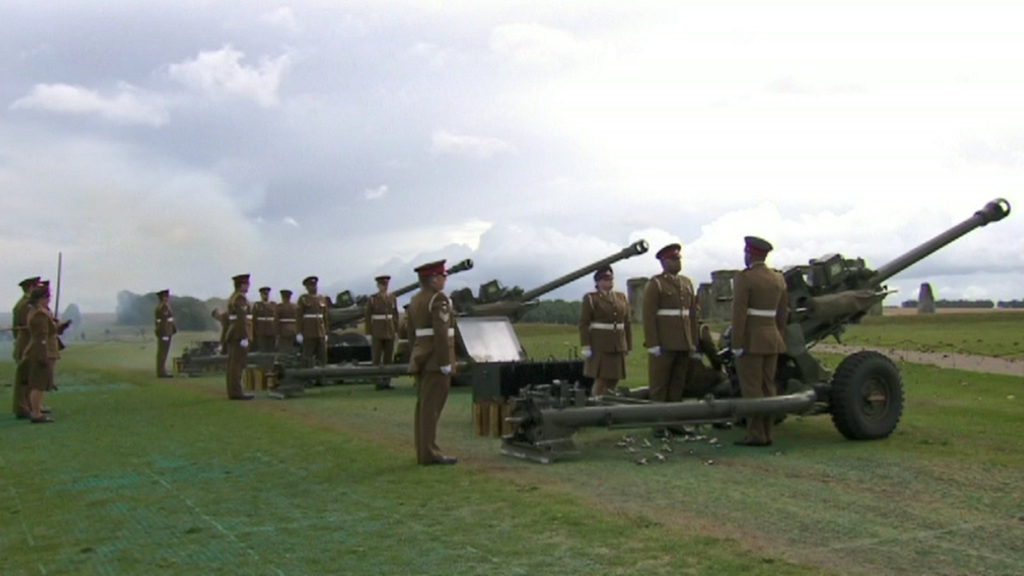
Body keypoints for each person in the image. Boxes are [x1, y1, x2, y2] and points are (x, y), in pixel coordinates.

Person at [731, 236, 788, 447]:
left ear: (750, 254)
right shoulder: (778, 279)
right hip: (771, 337)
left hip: (751, 340)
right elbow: (783, 314)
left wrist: (737, 344)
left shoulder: (745, 278)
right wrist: (777, 336)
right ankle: (768, 432)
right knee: (768, 387)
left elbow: (739, 314)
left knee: (752, 388)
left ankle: (756, 434)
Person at [642, 243, 700, 437]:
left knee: (677, 386)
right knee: (660, 386)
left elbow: (692, 315)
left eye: (679, 259)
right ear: (664, 262)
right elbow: (649, 316)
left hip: (683, 342)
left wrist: (693, 341)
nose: (678, 262)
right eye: (674, 259)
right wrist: (653, 343)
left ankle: (675, 422)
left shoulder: (686, 283)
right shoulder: (656, 284)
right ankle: (659, 424)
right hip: (664, 342)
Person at [408, 260, 457, 465]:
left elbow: (411, 332)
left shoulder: (416, 299)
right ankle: (429, 453)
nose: (444, 280)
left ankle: (424, 450)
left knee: (424, 407)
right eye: (443, 276)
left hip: (423, 357)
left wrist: (417, 353)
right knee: (432, 409)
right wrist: (445, 361)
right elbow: (441, 333)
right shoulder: (438, 298)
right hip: (437, 360)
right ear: (434, 279)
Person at [578, 265, 632, 397]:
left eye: (611, 279)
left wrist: (628, 345)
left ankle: (609, 401)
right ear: (598, 282)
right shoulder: (591, 298)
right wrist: (586, 345)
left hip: (617, 344)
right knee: (601, 379)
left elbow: (627, 323)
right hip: (600, 344)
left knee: (615, 377)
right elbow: (584, 323)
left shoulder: (621, 297)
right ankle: (596, 404)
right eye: (605, 279)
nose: (609, 282)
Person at [22, 284, 60, 423]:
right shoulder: (39, 314)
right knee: (38, 384)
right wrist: (42, 355)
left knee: (39, 383)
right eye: (46, 298)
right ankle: (36, 414)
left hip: (39, 349)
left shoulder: (39, 312)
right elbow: (41, 338)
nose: (48, 300)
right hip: (40, 350)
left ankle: (37, 409)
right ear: (40, 299)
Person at [364, 275, 400, 390]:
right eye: (382, 285)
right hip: (377, 330)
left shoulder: (392, 298)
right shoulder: (373, 299)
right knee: (377, 357)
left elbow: (395, 315)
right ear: (378, 285)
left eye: (386, 284)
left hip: (389, 330)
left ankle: (387, 381)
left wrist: (396, 330)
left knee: (388, 357)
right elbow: (368, 316)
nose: (384, 287)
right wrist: (369, 332)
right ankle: (378, 381)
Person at [12, 276, 41, 418]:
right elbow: (26, 325)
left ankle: (31, 405)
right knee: (23, 379)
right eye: (36, 286)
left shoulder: (29, 304)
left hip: (29, 342)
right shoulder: (25, 305)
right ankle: (22, 408)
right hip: (25, 343)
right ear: (30, 288)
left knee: (31, 377)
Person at [224, 274, 255, 400]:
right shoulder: (240, 299)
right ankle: (236, 392)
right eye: (246, 284)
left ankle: (234, 391)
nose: (248, 286)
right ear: (241, 285)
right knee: (237, 364)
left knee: (234, 364)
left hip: (235, 333)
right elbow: (242, 319)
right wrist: (244, 336)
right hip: (239, 333)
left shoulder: (235, 297)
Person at [297, 276, 329, 366]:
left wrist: (326, 332)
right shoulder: (303, 299)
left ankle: (322, 377)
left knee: (322, 355)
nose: (313, 287)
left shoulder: (322, 298)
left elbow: (325, 317)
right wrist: (299, 332)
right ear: (306, 287)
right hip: (308, 332)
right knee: (308, 356)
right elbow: (299, 316)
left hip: (321, 332)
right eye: (311, 285)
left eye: (314, 285)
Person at [154, 289, 176, 378]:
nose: (168, 298)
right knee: (163, 352)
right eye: (166, 296)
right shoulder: (164, 307)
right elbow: (164, 322)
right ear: (163, 297)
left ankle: (161, 370)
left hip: (164, 332)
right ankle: (162, 371)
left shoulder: (160, 306)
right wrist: (166, 334)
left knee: (162, 352)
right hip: (164, 332)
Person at [252, 286, 277, 352]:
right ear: (261, 295)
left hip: (271, 329)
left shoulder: (273, 305)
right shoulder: (257, 305)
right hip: (261, 329)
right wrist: (255, 330)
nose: (266, 296)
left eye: (267, 294)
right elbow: (254, 319)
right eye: (264, 294)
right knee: (262, 347)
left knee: (271, 347)